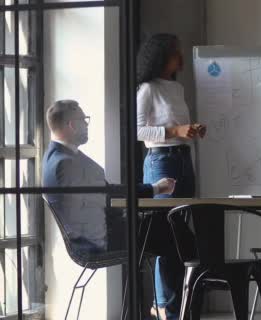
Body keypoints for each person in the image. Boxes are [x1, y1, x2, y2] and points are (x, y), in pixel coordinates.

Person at [42, 99, 175, 254]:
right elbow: (107, 195)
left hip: (91, 237)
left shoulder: (55, 156)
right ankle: (199, 271)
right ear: (72, 124)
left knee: (165, 225)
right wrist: (155, 189)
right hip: (98, 240)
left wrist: (153, 190)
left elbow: (101, 195)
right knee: (170, 222)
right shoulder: (66, 163)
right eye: (84, 120)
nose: (86, 125)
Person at [136, 33, 205, 320]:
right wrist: (176, 131)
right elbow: (138, 131)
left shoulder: (176, 88)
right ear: (162, 56)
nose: (181, 57)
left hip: (182, 159)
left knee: (178, 237)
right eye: (176, 52)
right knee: (165, 235)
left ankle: (175, 306)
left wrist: (191, 131)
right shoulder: (147, 89)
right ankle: (163, 306)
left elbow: (176, 126)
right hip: (161, 162)